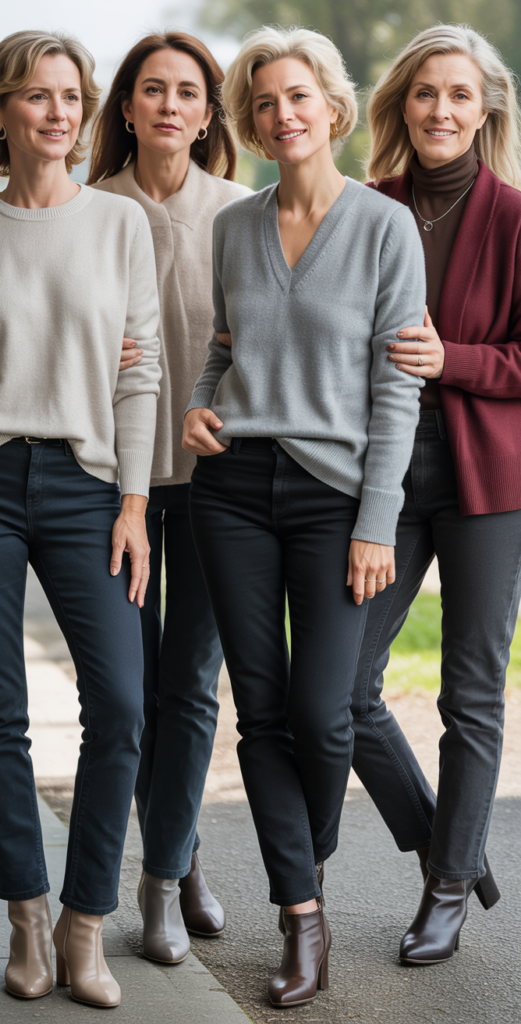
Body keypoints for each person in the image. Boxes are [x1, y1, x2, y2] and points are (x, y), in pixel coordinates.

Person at [182, 26, 426, 1008]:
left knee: (326, 716)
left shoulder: (382, 227)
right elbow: (222, 352)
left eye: (298, 96)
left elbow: (395, 391)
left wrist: (377, 520)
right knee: (264, 709)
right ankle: (300, 909)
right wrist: (198, 407)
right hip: (232, 487)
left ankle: (304, 852)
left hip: (335, 498)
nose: (283, 114)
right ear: (253, 122)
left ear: (330, 104)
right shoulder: (232, 227)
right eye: (265, 102)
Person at [0, 31, 161, 1006]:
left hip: (86, 486)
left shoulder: (118, 228)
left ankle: (86, 925)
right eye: (37, 96)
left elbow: (143, 369)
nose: (60, 112)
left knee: (120, 701)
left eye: (71, 96)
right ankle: (25, 918)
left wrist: (133, 503)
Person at [350, 23, 521, 964]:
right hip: (383, 478)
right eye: (424, 93)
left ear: (484, 107)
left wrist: (452, 360)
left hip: (487, 482)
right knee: (338, 687)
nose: (441, 110)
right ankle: (448, 845)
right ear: (400, 107)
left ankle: (447, 889)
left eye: (459, 94)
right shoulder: (367, 207)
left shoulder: (518, 215)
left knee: (472, 696)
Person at [88, 32, 250, 965]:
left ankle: (166, 876)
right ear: (127, 105)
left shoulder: (240, 209)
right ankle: (176, 855)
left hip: (212, 486)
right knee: (132, 694)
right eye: (153, 89)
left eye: (188, 91)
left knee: (189, 688)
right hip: (108, 485)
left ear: (206, 112)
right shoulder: (88, 208)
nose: (169, 105)